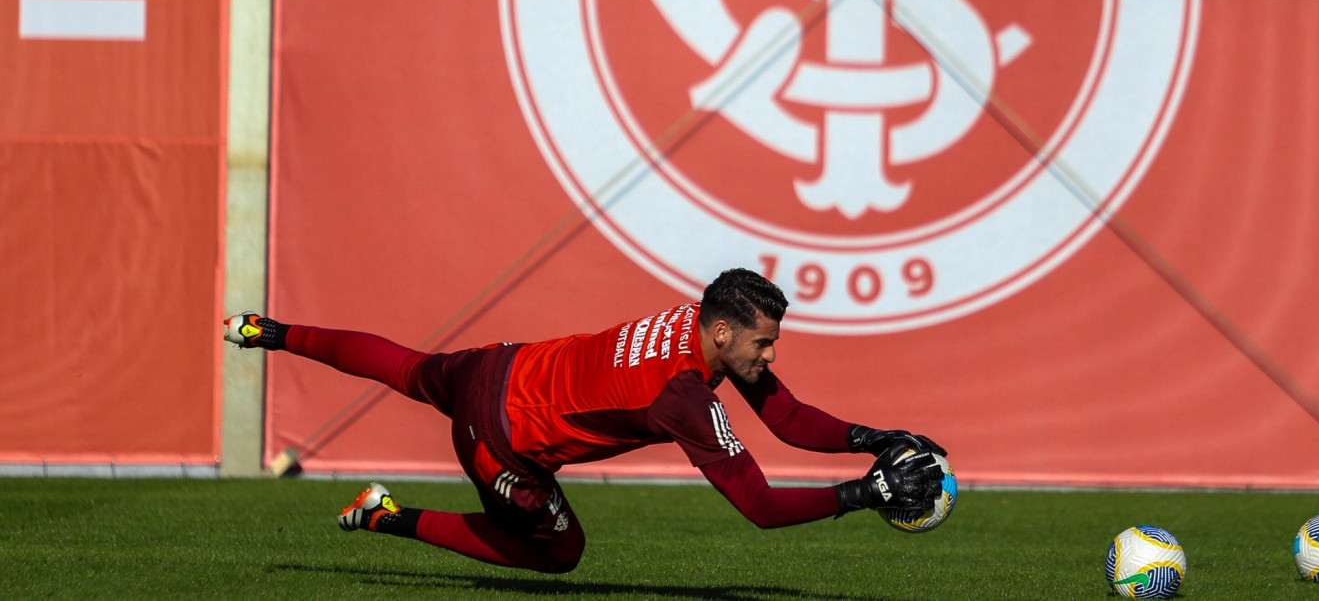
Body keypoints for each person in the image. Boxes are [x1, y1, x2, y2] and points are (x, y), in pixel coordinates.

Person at [223, 267, 945, 573]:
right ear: (723, 334)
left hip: (497, 365)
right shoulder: (684, 397)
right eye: (765, 341)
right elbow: (757, 506)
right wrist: (863, 495)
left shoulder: (692, 321)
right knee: (557, 552)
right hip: (502, 441)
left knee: (407, 366)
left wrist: (875, 439)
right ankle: (385, 515)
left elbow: (784, 417)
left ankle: (270, 331)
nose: (772, 352)